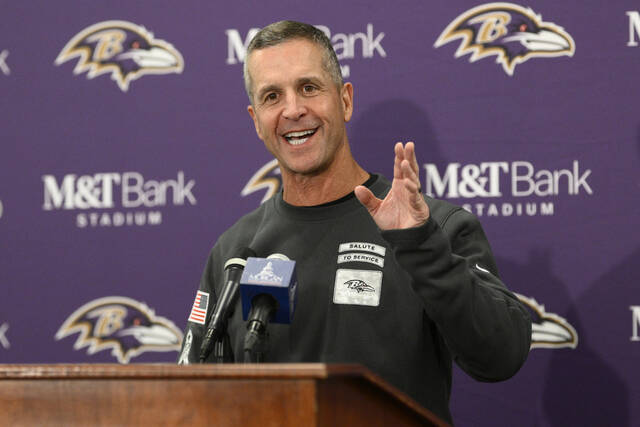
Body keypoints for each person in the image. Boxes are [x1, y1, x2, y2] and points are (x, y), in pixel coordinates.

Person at [178, 20, 531, 424]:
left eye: (309, 88)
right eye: (272, 96)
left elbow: (502, 356)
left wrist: (420, 245)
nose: (293, 110)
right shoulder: (233, 252)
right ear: (256, 120)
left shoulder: (433, 227)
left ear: (344, 100)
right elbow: (194, 396)